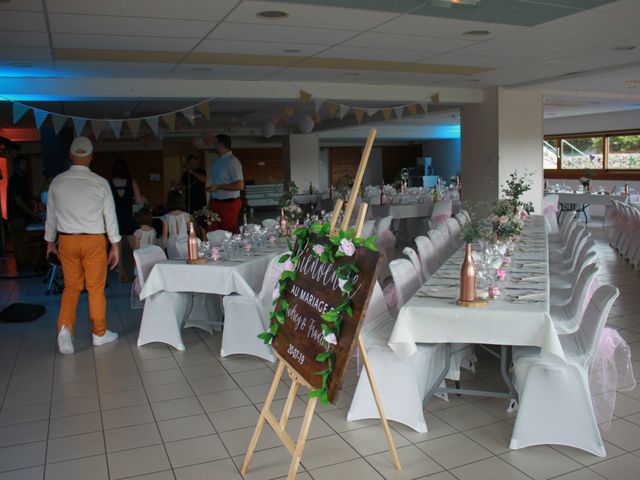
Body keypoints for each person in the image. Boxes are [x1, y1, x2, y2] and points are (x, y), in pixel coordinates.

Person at [45, 137, 120, 355]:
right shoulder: (100, 182)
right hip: (94, 240)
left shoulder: (57, 182)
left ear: (70, 155)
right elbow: (110, 217)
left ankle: (65, 329)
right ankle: (99, 333)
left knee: (71, 287)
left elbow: (51, 216)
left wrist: (50, 242)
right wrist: (115, 245)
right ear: (90, 156)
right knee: (96, 289)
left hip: (66, 239)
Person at [110, 158, 143, 282]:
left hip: (115, 220)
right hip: (128, 218)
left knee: (118, 249)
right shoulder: (132, 182)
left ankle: (121, 273)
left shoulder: (109, 183)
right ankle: (138, 273)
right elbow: (139, 200)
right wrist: (131, 199)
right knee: (136, 249)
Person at [7, 156, 40, 269]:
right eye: (22, 164)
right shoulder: (15, 180)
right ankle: (22, 265)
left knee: (23, 240)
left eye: (25, 163)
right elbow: (18, 201)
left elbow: (23, 197)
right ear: (16, 166)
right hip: (17, 216)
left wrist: (33, 198)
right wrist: (32, 213)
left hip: (22, 216)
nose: (25, 165)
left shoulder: (22, 180)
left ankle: (26, 263)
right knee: (19, 241)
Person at [206, 134, 244, 233]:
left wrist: (219, 186)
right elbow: (217, 183)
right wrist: (210, 201)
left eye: (215, 143)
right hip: (215, 203)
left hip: (229, 204)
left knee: (229, 233)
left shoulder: (233, 161)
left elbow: (240, 185)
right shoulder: (217, 162)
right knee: (212, 233)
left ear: (221, 144)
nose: (213, 145)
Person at [161, 191, 191, 259]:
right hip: (184, 241)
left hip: (172, 242)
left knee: (173, 262)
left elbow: (164, 234)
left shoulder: (166, 217)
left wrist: (163, 248)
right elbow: (191, 231)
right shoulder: (186, 215)